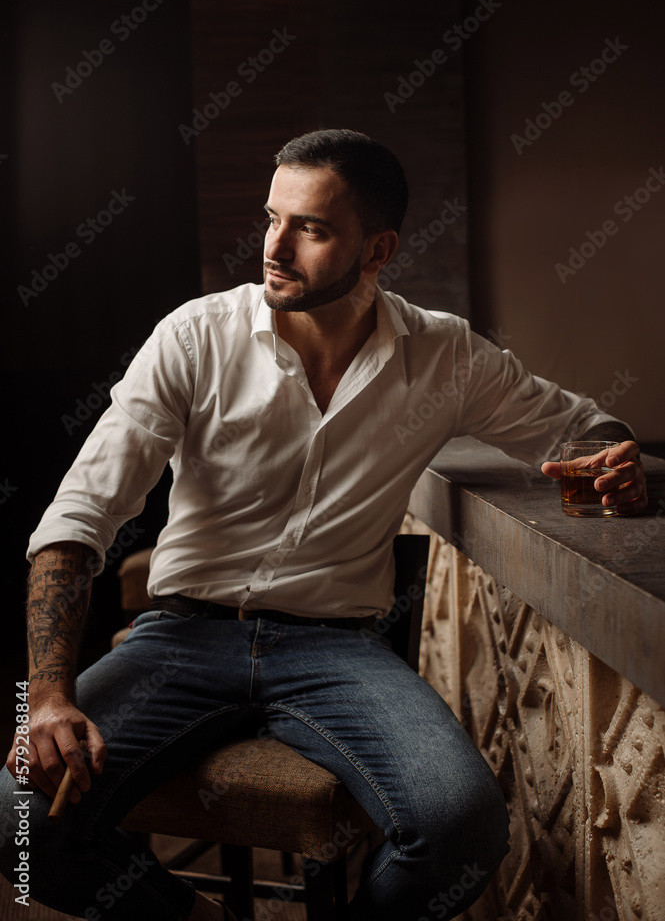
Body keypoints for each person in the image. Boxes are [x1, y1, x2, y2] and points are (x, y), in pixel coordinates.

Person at [0, 129, 646, 921]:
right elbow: (76, 519)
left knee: (462, 826)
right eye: (272, 218)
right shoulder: (195, 336)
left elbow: (580, 429)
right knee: (15, 816)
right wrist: (49, 695)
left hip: (334, 649)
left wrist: (615, 461)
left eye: (310, 228)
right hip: (180, 640)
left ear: (377, 249)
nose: (273, 247)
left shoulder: (444, 356)